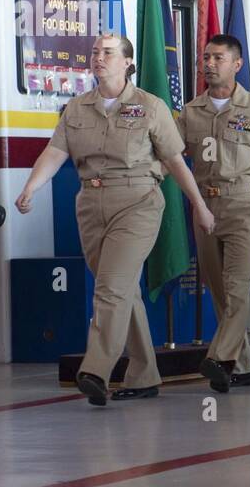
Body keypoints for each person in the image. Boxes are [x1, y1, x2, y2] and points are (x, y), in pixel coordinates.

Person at [15, 34, 216, 406]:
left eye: (108, 53)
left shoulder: (150, 106)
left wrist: (199, 206)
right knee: (124, 291)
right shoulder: (76, 109)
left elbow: (174, 161)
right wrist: (31, 187)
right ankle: (144, 374)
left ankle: (95, 369)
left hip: (138, 200)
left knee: (109, 287)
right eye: (95, 53)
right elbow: (55, 153)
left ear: (127, 62)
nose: (99, 58)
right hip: (91, 203)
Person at [179, 34, 250, 393]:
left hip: (242, 203)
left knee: (237, 286)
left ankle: (219, 357)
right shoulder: (192, 111)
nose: (209, 64)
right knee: (220, 290)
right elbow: (170, 153)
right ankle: (243, 366)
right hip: (204, 207)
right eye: (205, 57)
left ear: (237, 65)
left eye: (218, 58)